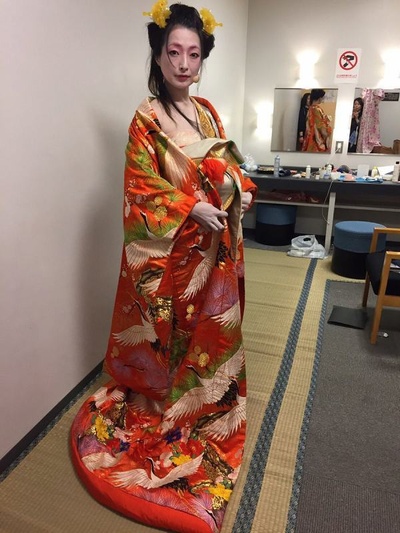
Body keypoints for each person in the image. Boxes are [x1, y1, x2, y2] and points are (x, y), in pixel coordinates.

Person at [70, 3, 257, 532]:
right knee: (171, 337)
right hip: (173, 253)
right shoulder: (146, 120)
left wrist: (239, 191)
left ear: (201, 60)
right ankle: (167, 411)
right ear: (158, 55)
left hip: (212, 251)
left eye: (193, 54)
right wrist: (189, 208)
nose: (183, 64)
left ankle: (205, 407)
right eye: (173, 52)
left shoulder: (208, 112)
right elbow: (140, 190)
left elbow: (228, 167)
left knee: (208, 335)